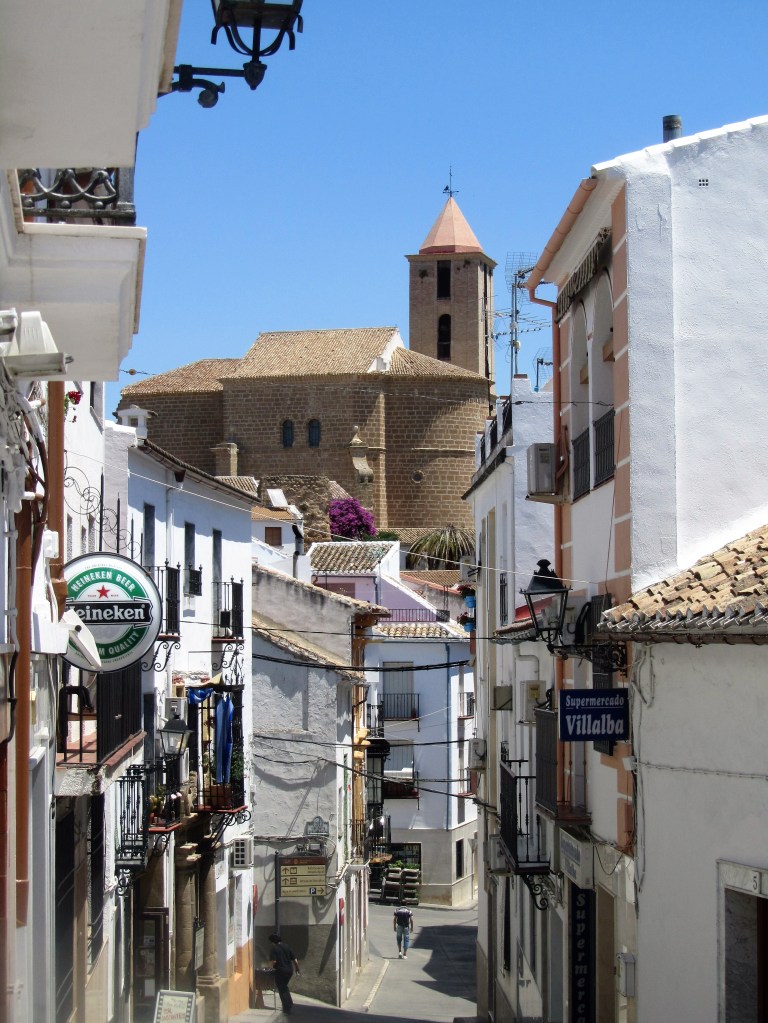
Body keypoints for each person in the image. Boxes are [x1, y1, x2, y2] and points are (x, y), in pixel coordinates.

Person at [268, 932, 300, 1014]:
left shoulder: (274, 949)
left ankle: (286, 1007)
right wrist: (297, 969)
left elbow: (274, 961)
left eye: (271, 942)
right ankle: (289, 1003)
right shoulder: (287, 947)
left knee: (281, 988)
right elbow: (295, 959)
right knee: (284, 987)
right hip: (289, 971)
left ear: (273, 941)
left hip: (280, 971)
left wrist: (270, 968)